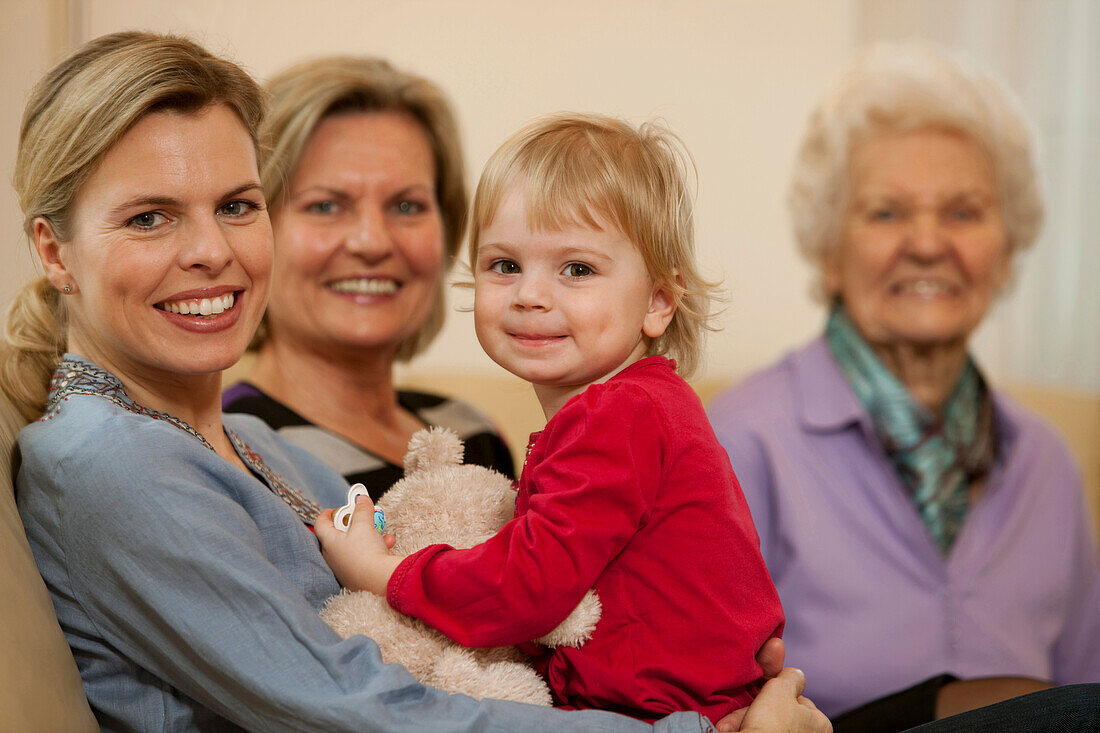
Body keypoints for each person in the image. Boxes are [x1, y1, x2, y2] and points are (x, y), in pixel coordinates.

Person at [3, 30, 824, 733]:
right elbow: (348, 706)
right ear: (53, 251)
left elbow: (469, 636)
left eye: (238, 206)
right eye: (150, 216)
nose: (212, 251)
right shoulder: (106, 464)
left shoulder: (253, 445)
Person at [317, 114, 785, 726]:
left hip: (667, 719)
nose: (530, 295)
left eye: (578, 269)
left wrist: (383, 572)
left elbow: (526, 589)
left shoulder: (617, 415)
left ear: (657, 302)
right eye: (505, 265)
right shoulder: (639, 406)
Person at [706, 43, 1100, 728]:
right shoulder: (740, 438)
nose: (926, 242)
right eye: (886, 213)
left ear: (1006, 252)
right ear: (829, 250)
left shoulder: (1048, 460)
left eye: (964, 212)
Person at [222, 56, 513, 500]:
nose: (372, 242)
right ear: (254, 230)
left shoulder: (473, 433)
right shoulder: (231, 450)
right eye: (325, 206)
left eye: (406, 206)